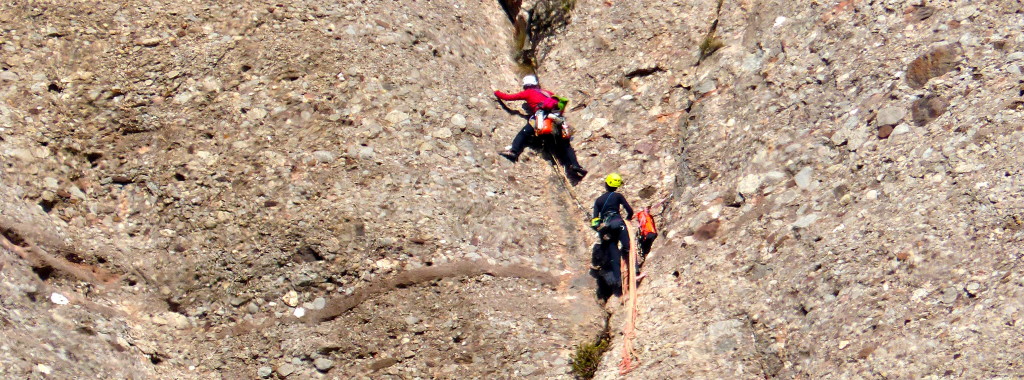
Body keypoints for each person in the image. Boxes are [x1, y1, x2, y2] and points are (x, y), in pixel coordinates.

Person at [494, 75, 587, 177]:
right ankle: (575, 165)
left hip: (541, 118)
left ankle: (514, 152)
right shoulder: (548, 93)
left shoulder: (528, 92)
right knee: (565, 145)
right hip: (556, 120)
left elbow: (508, 97)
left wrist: (496, 92)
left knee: (524, 133)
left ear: (526, 85)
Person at [590, 173, 633, 294]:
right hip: (619, 223)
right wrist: (628, 219)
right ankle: (635, 271)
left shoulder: (598, 200)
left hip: (607, 228)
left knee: (614, 255)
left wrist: (599, 230)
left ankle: (618, 280)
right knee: (627, 247)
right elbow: (629, 210)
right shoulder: (618, 196)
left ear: (606, 184)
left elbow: (595, 221)